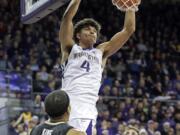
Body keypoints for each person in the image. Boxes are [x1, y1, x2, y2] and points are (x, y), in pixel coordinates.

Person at [59, 0, 140, 134]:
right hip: (65, 112)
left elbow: (128, 30)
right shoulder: (69, 49)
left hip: (87, 114)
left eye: (94, 31)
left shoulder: (101, 52)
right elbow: (67, 18)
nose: (92, 32)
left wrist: (131, 7)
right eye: (87, 30)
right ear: (78, 35)